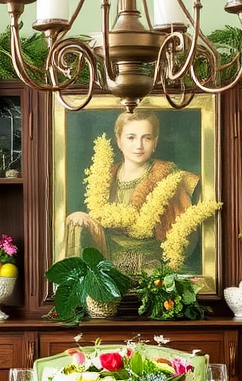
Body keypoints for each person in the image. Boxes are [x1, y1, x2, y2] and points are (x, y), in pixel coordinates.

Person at [65, 110, 201, 275]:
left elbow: (186, 235)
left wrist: (166, 270)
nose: (139, 146)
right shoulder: (105, 176)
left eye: (147, 138)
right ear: (118, 141)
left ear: (155, 142)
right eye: (131, 137)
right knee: (77, 218)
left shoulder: (167, 175)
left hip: (151, 269)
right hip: (107, 267)